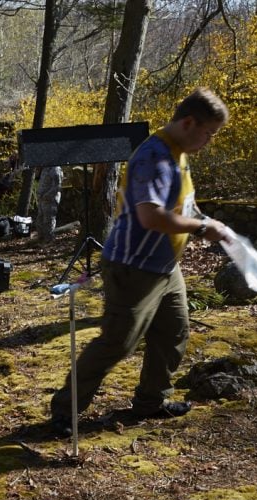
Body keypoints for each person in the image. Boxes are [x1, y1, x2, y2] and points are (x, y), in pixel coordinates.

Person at [49, 87, 229, 438]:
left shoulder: (180, 152)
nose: (209, 140)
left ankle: (152, 400)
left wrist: (204, 220)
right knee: (118, 342)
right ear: (189, 122)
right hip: (133, 268)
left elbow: (182, 205)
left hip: (165, 267)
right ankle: (65, 410)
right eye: (208, 133)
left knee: (173, 333)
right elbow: (151, 216)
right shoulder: (155, 157)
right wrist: (204, 228)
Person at [35, 166, 63, 243]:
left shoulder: (55, 169)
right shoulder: (44, 168)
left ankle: (49, 240)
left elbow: (57, 186)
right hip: (42, 199)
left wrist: (47, 195)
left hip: (50, 199)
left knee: (49, 220)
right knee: (39, 220)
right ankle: (41, 239)